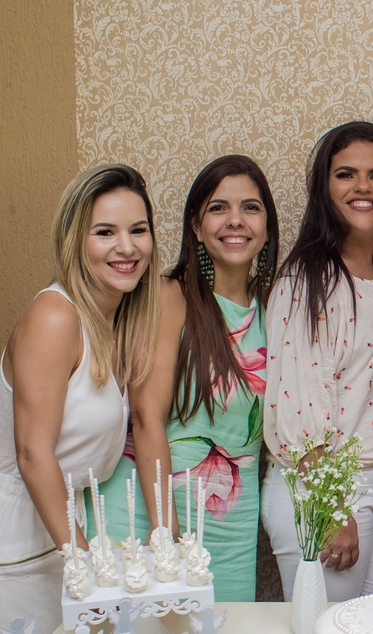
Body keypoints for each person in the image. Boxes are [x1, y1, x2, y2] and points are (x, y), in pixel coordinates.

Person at [0, 164, 160, 634]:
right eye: (105, 232)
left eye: (137, 229)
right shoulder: (54, 315)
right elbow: (32, 451)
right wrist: (85, 560)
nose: (125, 246)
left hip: (57, 540)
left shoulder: (112, 321)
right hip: (8, 545)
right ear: (74, 240)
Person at [94, 155, 276, 601]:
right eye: (218, 208)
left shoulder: (274, 305)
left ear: (267, 224)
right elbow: (145, 416)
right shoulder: (168, 295)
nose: (236, 220)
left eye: (250, 208)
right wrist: (166, 539)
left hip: (231, 518)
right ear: (195, 226)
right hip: (151, 514)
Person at [262, 121, 373, 601]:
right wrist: (332, 507)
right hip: (328, 487)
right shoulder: (306, 279)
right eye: (345, 174)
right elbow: (298, 403)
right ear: (323, 188)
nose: (363, 187)